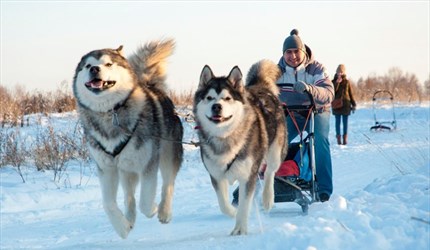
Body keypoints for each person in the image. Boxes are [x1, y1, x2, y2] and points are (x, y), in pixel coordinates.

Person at [276, 29, 334, 202]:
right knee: (275, 141)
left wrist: (310, 89)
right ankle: (271, 182)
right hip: (293, 113)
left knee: (319, 141)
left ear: (303, 52)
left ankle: (324, 189)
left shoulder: (316, 68)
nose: (293, 56)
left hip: (317, 111)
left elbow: (328, 93)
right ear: (283, 54)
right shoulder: (276, 72)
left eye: (296, 52)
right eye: (288, 52)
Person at [332, 64, 356, 145]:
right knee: (337, 122)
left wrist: (354, 104)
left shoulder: (347, 82)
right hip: (336, 105)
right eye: (339, 72)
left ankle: (345, 139)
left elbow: (350, 93)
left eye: (341, 72)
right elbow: (332, 92)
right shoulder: (333, 82)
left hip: (346, 104)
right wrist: (337, 83)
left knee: (345, 122)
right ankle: (338, 139)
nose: (340, 74)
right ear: (336, 72)